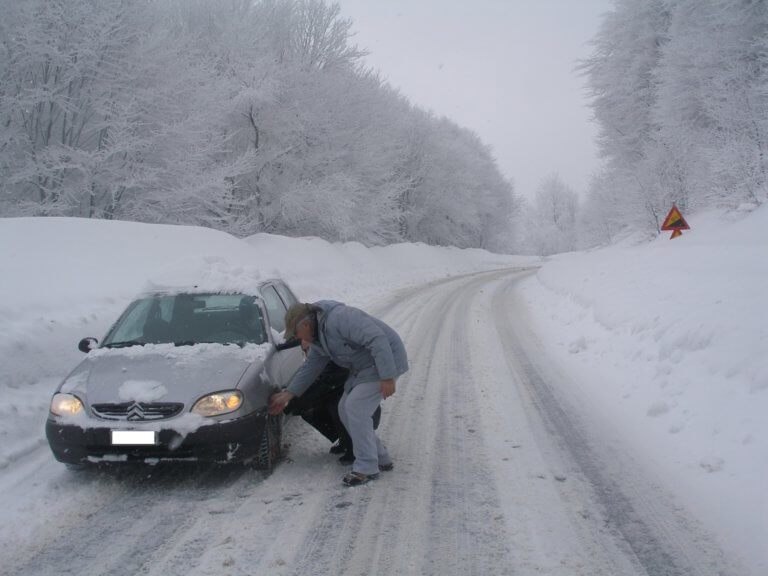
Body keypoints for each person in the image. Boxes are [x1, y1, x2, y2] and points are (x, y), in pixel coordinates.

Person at [269, 301, 408, 486]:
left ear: (305, 325)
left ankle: (366, 467)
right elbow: (312, 365)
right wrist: (289, 394)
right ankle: (381, 457)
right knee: (345, 409)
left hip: (385, 360)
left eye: (295, 333)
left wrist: (388, 376)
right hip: (364, 367)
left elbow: (377, 338)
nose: (295, 338)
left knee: (356, 407)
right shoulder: (318, 337)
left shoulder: (340, 319)